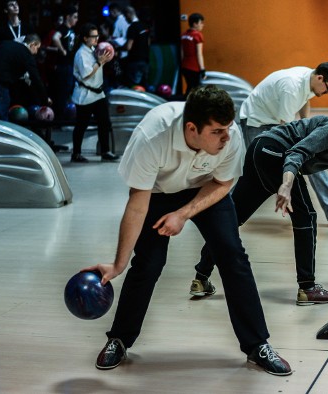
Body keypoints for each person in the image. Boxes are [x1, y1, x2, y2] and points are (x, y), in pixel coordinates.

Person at [82, 85, 292, 376]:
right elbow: (137, 205)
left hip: (207, 189)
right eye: (217, 131)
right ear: (192, 128)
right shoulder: (152, 136)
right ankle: (119, 338)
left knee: (233, 257)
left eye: (228, 128)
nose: (226, 137)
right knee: (148, 263)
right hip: (157, 193)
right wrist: (117, 264)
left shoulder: (229, 138)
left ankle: (257, 345)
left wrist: (182, 214)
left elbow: (223, 184)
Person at [192, 105, 328, 305]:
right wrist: (286, 184)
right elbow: (295, 153)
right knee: (306, 216)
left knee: (233, 218)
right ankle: (308, 289)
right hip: (274, 153)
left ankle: (201, 278)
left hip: (260, 150)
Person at [238, 63, 328, 227]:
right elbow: (285, 127)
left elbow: (305, 101)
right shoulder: (292, 86)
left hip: (274, 119)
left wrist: (311, 130)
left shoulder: (309, 78)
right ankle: (229, 209)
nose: (326, 93)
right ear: (320, 78)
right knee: (255, 171)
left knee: (313, 155)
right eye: (327, 89)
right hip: (255, 121)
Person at [0, 34, 49, 121]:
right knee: (2, 114)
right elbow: (36, 78)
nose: (36, 52)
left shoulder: (5, 43)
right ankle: (1, 133)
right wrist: (45, 99)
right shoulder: (26, 55)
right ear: (32, 44)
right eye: (37, 48)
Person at [70, 23, 119, 163]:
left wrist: (106, 59)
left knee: (105, 123)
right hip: (85, 95)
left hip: (98, 93)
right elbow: (86, 75)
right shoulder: (81, 54)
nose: (97, 39)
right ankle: (76, 154)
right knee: (81, 125)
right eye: (93, 36)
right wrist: (99, 62)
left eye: (97, 36)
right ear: (85, 38)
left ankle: (105, 151)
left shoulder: (94, 49)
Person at [50, 6, 79, 120]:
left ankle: (64, 117)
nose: (76, 20)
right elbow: (55, 37)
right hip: (63, 66)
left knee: (67, 91)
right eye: (75, 17)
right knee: (62, 93)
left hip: (69, 65)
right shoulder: (63, 28)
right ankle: (60, 119)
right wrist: (62, 50)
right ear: (68, 17)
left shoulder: (71, 30)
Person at [122, 6, 150, 87]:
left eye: (125, 16)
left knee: (134, 86)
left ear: (129, 14)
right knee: (144, 85)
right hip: (145, 61)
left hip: (134, 62)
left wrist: (119, 48)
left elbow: (128, 47)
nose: (125, 19)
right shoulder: (145, 26)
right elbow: (148, 43)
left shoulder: (132, 27)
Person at [180, 13, 205, 96]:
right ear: (195, 24)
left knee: (189, 87)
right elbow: (199, 54)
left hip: (185, 66)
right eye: (201, 23)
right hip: (194, 67)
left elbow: (182, 52)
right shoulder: (197, 35)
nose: (202, 25)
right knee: (195, 89)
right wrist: (202, 69)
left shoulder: (183, 35)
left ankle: (186, 104)